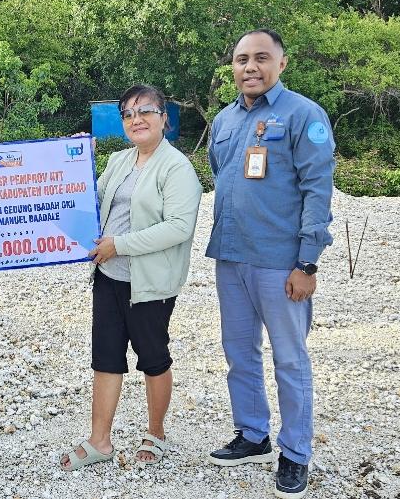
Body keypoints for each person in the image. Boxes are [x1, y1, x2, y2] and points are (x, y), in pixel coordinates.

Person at [205, 29, 335, 499]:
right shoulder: (223, 120)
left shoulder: (303, 115)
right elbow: (221, 174)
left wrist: (308, 262)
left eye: (261, 58)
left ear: (282, 63)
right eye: (242, 60)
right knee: (239, 353)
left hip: (281, 263)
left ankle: (296, 453)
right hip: (231, 256)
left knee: (289, 359)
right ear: (233, 67)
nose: (250, 67)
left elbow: (317, 189)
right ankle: (253, 434)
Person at [60, 84, 202, 471]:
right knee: (105, 358)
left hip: (149, 284)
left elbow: (178, 227)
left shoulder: (177, 168)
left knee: (153, 358)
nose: (136, 119)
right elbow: (89, 200)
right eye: (128, 114)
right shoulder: (120, 160)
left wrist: (119, 244)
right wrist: (74, 161)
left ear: (164, 119)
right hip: (108, 276)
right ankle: (99, 441)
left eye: (146, 111)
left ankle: (155, 433)